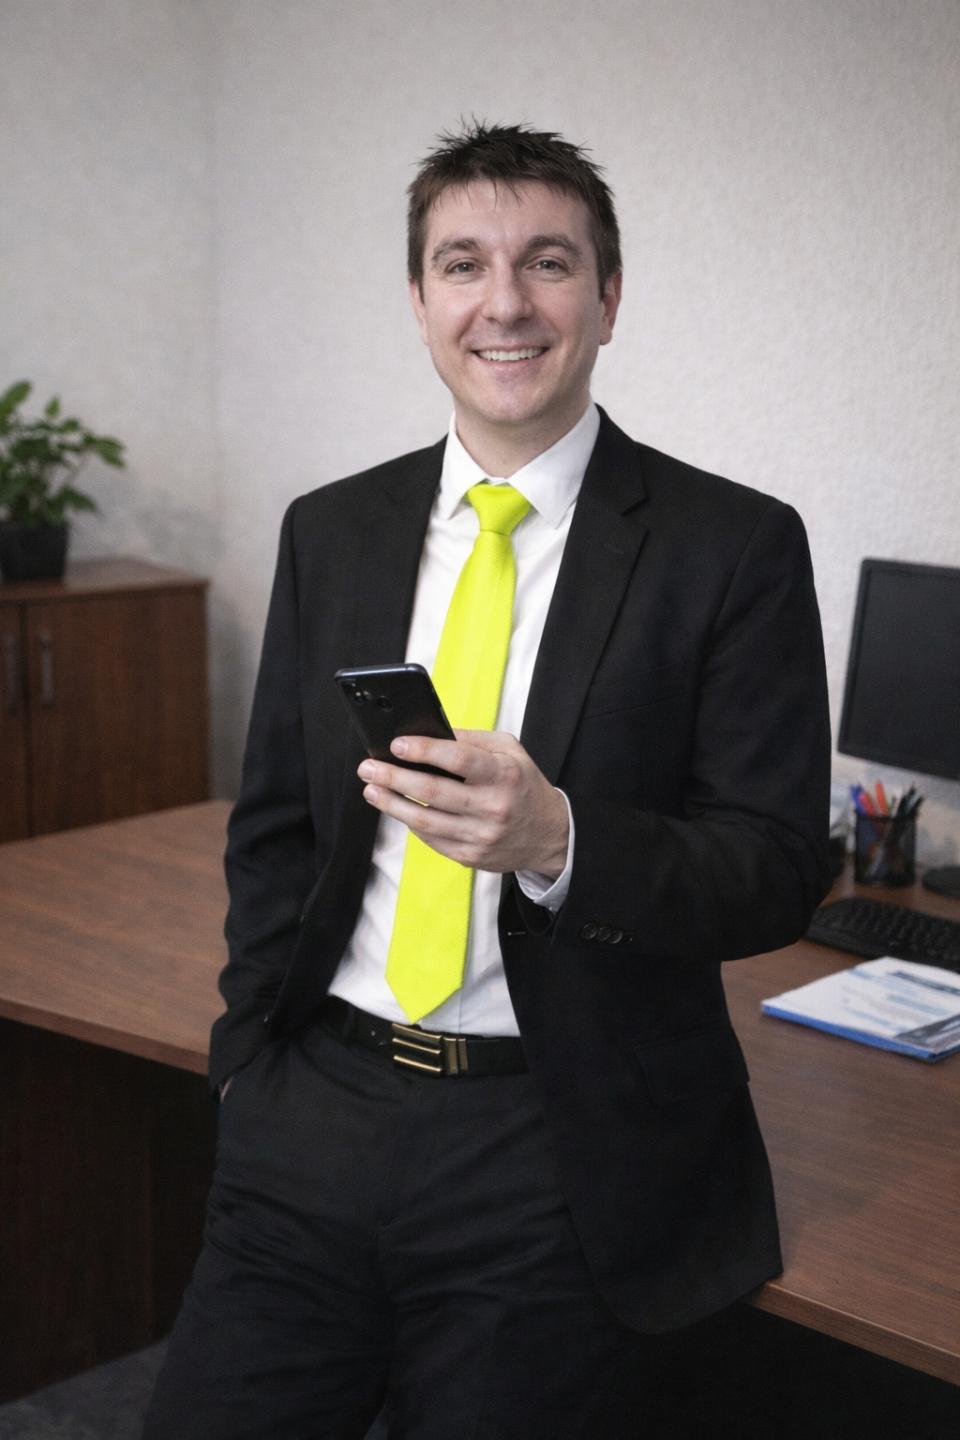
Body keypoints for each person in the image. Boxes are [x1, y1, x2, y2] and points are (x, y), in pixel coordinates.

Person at [145, 122, 832, 1439]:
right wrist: (248, 1066)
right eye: (463, 264)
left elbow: (777, 868)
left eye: (548, 263)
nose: (504, 302)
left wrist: (562, 838)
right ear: (420, 302)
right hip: (314, 1113)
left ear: (609, 298)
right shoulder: (331, 529)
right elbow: (277, 828)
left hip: (555, 1147)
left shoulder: (733, 546)